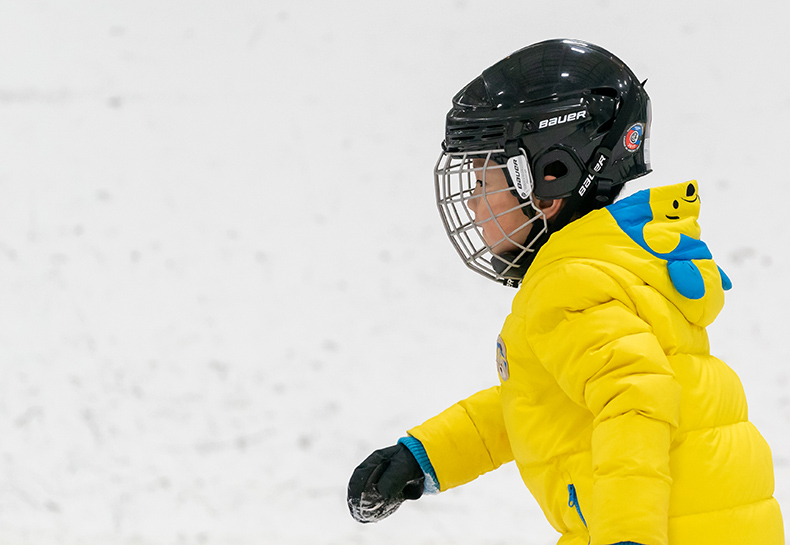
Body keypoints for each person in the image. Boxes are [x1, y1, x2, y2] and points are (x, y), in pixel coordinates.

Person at [347, 39, 784, 545]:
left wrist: (627, 537)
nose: (470, 205)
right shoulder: (613, 264)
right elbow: (544, 402)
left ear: (551, 180)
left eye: (481, 182)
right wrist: (424, 457)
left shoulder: (569, 283)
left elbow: (634, 403)